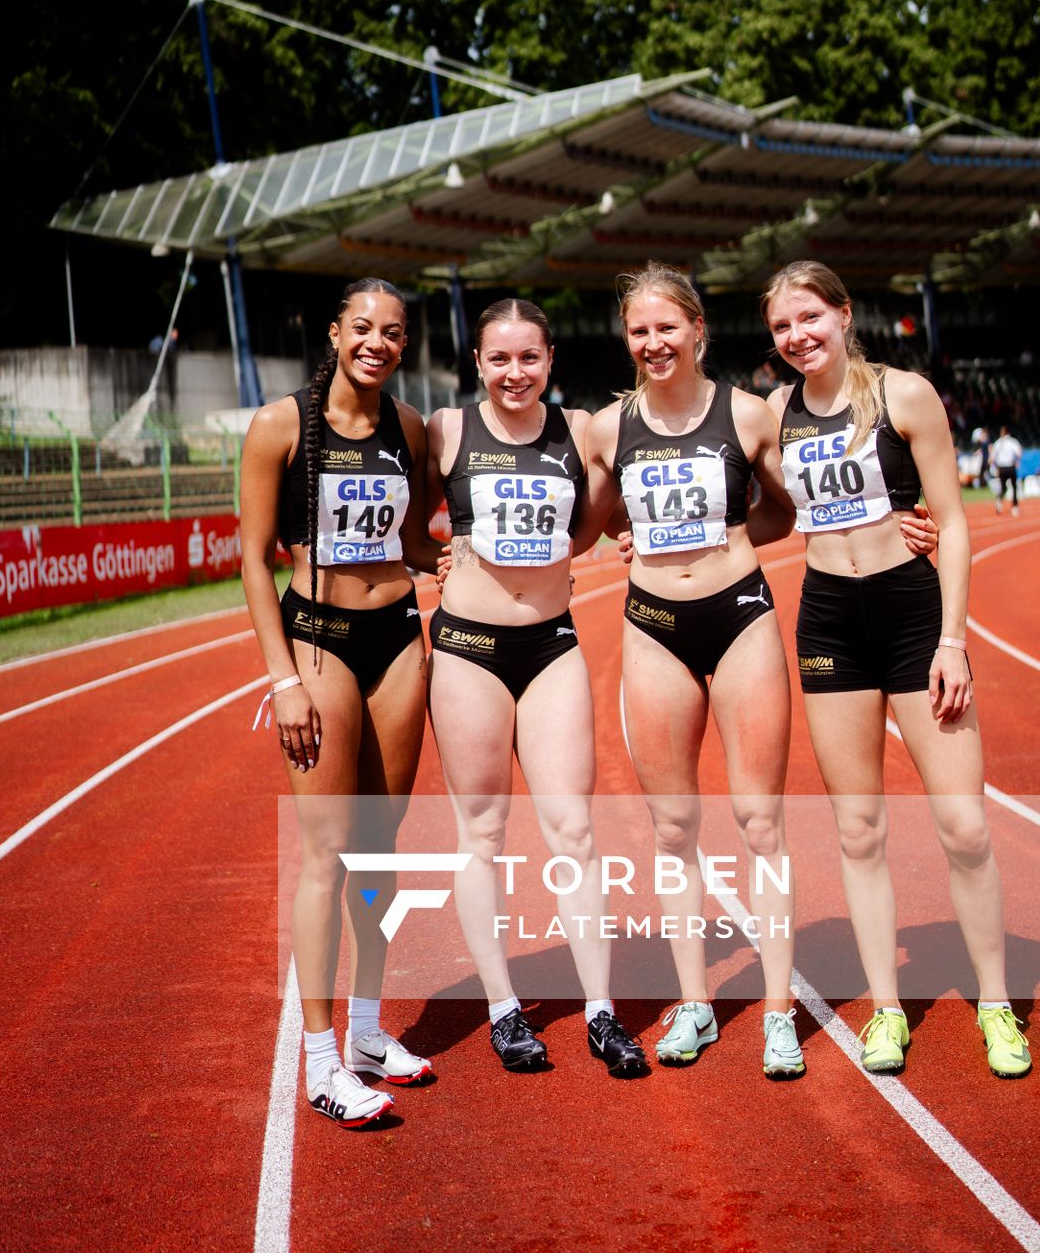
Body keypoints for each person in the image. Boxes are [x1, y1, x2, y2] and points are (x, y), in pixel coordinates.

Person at [586, 264, 938, 1080]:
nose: (653, 343)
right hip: (652, 630)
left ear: (697, 329)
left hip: (740, 617)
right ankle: (696, 1006)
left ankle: (778, 1012)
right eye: (639, 331)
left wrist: (900, 519)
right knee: (673, 828)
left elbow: (797, 505)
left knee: (760, 822)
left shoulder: (749, 416)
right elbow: (588, 520)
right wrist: (616, 540)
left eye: (666, 328)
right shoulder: (608, 428)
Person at [761, 259, 1030, 1081]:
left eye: (811, 318)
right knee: (858, 829)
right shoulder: (775, 411)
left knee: (965, 827)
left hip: (915, 619)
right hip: (830, 621)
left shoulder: (903, 395)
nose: (798, 336)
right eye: (781, 327)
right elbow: (752, 507)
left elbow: (950, 523)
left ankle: (996, 1005)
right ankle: (886, 1008)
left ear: (844, 315)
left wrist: (953, 640)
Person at [427, 299, 649, 1078]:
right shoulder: (446, 431)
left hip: (551, 644)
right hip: (468, 650)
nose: (514, 373)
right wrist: (434, 562)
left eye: (529, 358)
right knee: (482, 837)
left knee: (574, 834)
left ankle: (599, 1012)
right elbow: (403, 512)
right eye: (499, 359)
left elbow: (604, 511)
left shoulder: (581, 429)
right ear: (478, 364)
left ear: (550, 360)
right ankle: (503, 1008)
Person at [240, 278, 440, 1128]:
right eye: (363, 328)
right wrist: (283, 680)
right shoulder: (281, 424)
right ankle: (320, 1059)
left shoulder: (410, 427)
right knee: (326, 853)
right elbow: (253, 559)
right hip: (317, 642)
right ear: (335, 332)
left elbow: (424, 537)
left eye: (393, 333)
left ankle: (365, 1028)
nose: (378, 343)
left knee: (380, 846)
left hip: (398, 640)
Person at [989, 426, 1023, 516]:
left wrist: (995, 467)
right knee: (1014, 487)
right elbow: (1019, 453)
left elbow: (992, 458)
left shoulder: (997, 443)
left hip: (1001, 468)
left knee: (1003, 487)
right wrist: (1016, 461)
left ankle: (999, 501)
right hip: (1010, 467)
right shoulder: (1013, 442)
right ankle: (1014, 507)